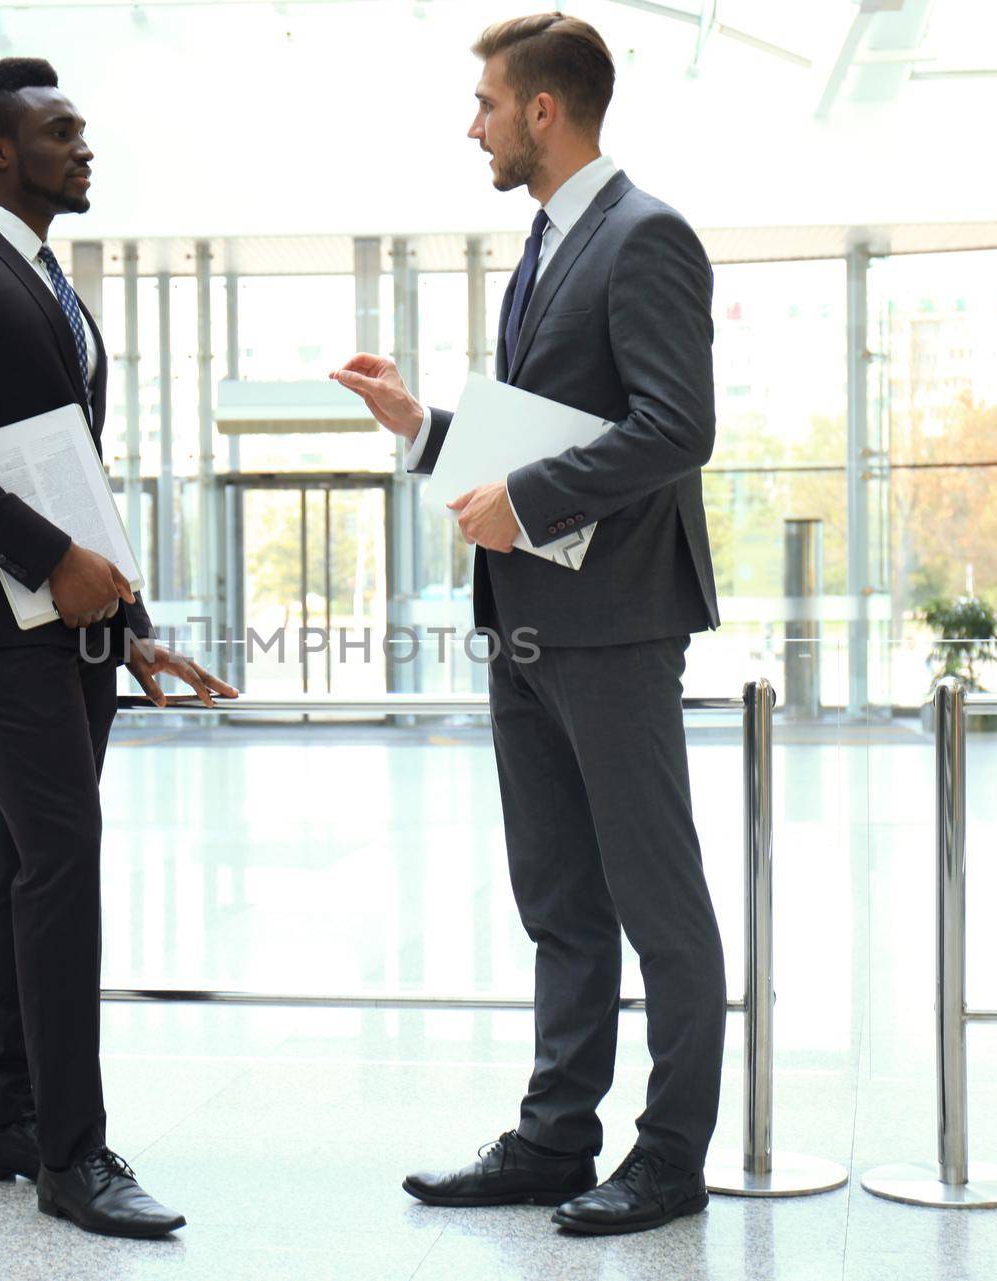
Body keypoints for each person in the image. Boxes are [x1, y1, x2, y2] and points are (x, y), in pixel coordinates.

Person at [332, 13, 726, 1237]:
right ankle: (558, 1138)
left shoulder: (645, 235)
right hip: (529, 616)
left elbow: (673, 428)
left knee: (655, 900)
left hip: (613, 623)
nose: (475, 126)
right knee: (557, 894)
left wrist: (529, 498)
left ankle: (670, 1157)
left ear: (544, 110)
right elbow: (541, 440)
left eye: (487, 106)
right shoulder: (549, 243)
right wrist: (423, 430)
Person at [0, 56, 235, 1239]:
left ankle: (3, 1121)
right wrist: (49, 564)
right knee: (64, 860)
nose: (85, 149)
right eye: (59, 132)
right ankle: (75, 1160)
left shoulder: (48, 282)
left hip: (70, 626)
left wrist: (128, 626)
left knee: (24, 862)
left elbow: (65, 467)